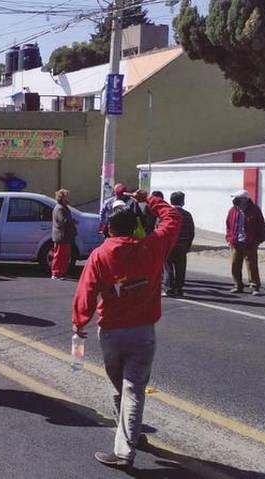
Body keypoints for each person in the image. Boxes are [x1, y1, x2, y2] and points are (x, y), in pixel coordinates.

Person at [72, 189, 182, 469]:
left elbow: (86, 291)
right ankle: (129, 436)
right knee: (134, 388)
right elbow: (172, 218)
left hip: (111, 332)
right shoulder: (153, 247)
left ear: (108, 228)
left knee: (119, 386)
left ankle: (124, 448)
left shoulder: (100, 254)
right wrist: (149, 199)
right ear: (135, 226)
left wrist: (79, 322)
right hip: (143, 333)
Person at [226, 190, 265, 296]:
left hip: (250, 243)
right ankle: (237, 285)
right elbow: (228, 225)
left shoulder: (255, 210)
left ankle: (254, 287)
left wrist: (257, 241)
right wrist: (229, 238)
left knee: (251, 266)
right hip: (235, 242)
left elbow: (262, 227)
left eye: (237, 199)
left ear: (245, 200)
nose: (234, 201)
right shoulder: (232, 210)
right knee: (235, 265)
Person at [163, 192, 195, 297]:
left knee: (168, 267)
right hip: (182, 246)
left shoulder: (167, 214)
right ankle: (179, 288)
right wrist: (188, 245)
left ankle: (169, 288)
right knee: (180, 267)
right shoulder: (187, 215)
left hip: (169, 245)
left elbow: (160, 229)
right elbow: (191, 232)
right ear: (182, 201)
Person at [51, 189, 76, 280]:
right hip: (61, 236)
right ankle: (56, 273)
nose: (67, 198)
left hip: (66, 236)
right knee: (59, 255)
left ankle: (62, 273)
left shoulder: (64, 207)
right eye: (66, 196)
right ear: (61, 198)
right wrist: (71, 222)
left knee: (65, 256)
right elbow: (62, 221)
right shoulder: (59, 208)